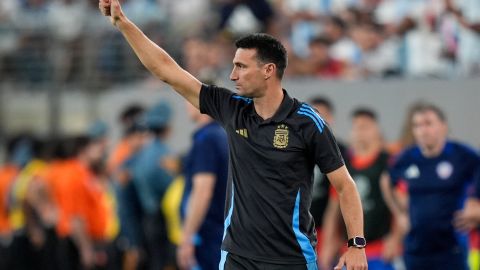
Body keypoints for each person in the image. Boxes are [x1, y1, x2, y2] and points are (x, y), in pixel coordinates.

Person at [98, 1, 368, 269]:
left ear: (268, 71)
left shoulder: (307, 122)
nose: (232, 75)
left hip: (291, 258)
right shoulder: (232, 109)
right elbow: (167, 71)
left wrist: (356, 245)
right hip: (238, 257)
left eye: (241, 66)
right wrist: (124, 23)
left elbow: (345, 186)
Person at [381, 102, 480, 270]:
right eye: (417, 125)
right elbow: (386, 180)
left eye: (428, 123)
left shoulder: (461, 155)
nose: (422, 130)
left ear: (443, 126)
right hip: (415, 249)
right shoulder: (407, 158)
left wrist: (475, 201)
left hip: (452, 249)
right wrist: (400, 214)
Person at [321, 108, 401, 270]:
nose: (360, 132)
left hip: (381, 250)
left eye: (365, 127)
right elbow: (333, 209)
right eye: (356, 127)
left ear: (376, 130)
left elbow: (400, 206)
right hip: (350, 251)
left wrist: (395, 238)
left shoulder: (388, 162)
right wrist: (328, 244)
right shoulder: (344, 166)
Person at [177, 101, 229, 270]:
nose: (186, 105)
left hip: (206, 234)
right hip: (220, 231)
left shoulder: (206, 139)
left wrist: (187, 237)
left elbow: (202, 191)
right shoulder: (222, 134)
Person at [307, 96, 347, 268]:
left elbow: (340, 196)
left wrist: (334, 238)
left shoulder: (341, 150)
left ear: (330, 118)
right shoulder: (296, 148)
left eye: (321, 116)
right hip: (300, 228)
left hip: (328, 230)